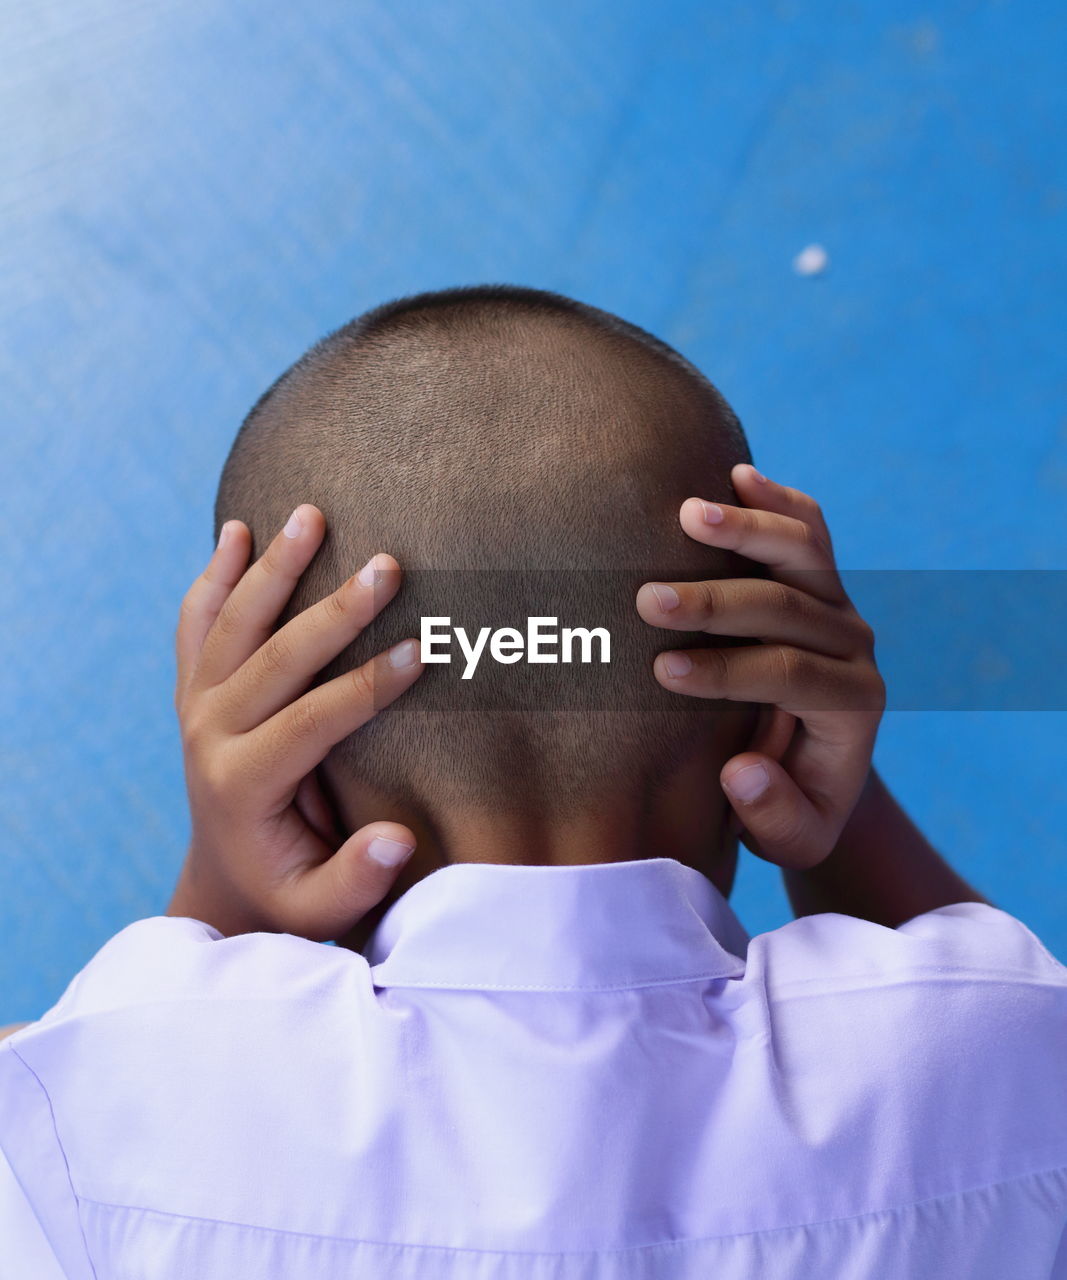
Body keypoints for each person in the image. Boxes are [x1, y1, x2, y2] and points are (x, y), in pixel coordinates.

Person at [1, 285, 1064, 1278]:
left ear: (300, 785)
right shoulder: (1002, 1053)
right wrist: (841, 810)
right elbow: (997, 1017)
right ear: (773, 720)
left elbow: (69, 1089)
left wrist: (222, 882)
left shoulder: (93, 1113)